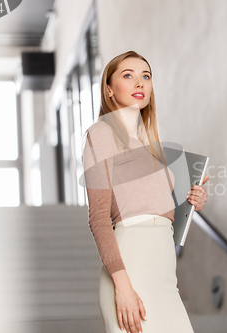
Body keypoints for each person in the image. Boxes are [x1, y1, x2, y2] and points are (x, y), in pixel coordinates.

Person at [82, 51, 208, 333]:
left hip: (164, 274)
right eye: (128, 76)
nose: (140, 83)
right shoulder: (101, 133)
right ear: (109, 90)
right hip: (131, 268)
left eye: (146, 76)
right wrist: (123, 287)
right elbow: (99, 218)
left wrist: (192, 201)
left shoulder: (151, 146)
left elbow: (159, 210)